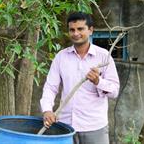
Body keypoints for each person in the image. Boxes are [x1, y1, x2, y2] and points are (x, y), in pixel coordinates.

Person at [40, 12, 120, 144]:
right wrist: (47, 110)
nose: (76, 33)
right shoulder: (61, 57)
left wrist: (98, 81)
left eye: (80, 29)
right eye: (72, 30)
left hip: (94, 127)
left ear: (90, 30)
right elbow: (50, 87)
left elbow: (114, 91)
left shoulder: (103, 57)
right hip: (65, 127)